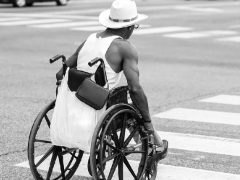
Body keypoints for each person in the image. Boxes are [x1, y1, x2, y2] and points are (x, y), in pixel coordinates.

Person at [51, 0, 168, 162]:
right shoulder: (125, 47)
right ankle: (153, 144)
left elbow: (60, 74)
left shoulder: (90, 39)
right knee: (135, 104)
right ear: (130, 27)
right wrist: (148, 122)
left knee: (119, 98)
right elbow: (135, 89)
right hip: (99, 111)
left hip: (71, 108)